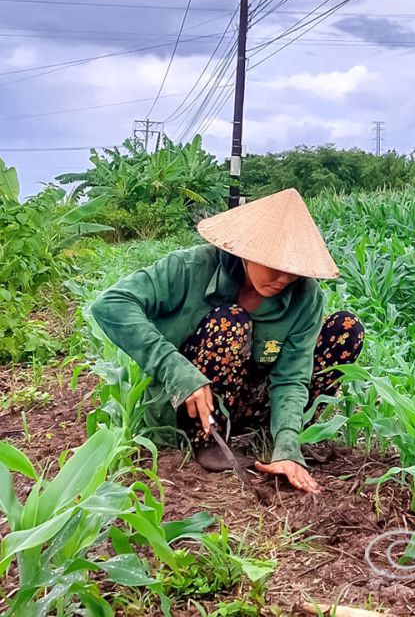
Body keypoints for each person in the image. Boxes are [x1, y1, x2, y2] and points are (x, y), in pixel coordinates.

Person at [91, 188, 363, 494]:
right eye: (276, 266)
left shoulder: (305, 297)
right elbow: (110, 304)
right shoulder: (190, 268)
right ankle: (205, 439)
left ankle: (268, 437)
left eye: (294, 272)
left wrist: (287, 446)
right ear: (248, 251)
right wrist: (176, 370)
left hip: (253, 404)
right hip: (191, 404)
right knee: (230, 321)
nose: (284, 279)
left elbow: (292, 377)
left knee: (347, 328)